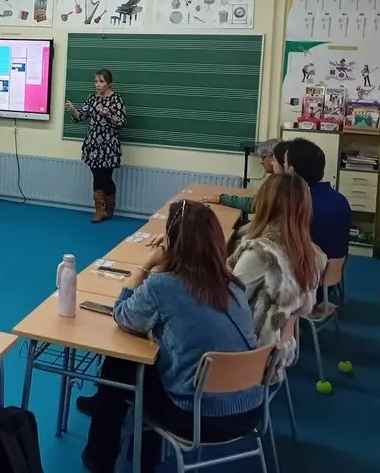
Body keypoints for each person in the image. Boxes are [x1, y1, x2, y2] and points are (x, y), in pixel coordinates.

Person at [80, 200, 264, 473]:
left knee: (120, 363)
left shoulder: (163, 285)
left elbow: (123, 316)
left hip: (198, 417)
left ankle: (101, 455)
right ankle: (138, 454)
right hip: (250, 409)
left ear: (171, 241)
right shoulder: (231, 284)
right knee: (148, 363)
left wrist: (149, 265)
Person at [227, 173, 325, 380]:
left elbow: (226, 304)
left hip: (247, 354)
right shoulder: (311, 254)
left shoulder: (261, 254)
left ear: (265, 205)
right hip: (281, 347)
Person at [65, 68, 126, 223]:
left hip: (109, 143)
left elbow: (121, 122)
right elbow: (81, 116)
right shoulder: (92, 98)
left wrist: (109, 115)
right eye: (96, 81)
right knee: (96, 175)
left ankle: (109, 206)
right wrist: (72, 109)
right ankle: (99, 210)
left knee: (105, 177)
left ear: (109, 83)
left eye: (101, 81)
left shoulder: (116, 99)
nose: (97, 85)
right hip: (93, 142)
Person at [284, 137, 352, 259]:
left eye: (284, 163)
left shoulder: (299, 205)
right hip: (334, 274)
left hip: (307, 273)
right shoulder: (341, 200)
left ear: (291, 171)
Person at [211, 139, 287, 213]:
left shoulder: (277, 182)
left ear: (274, 158)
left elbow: (253, 205)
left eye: (263, 157)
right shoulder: (283, 179)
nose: (262, 162)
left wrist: (223, 199)